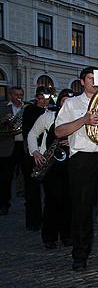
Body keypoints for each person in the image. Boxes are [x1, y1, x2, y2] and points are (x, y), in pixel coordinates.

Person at [55, 67, 98, 271]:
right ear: (82, 81)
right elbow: (59, 132)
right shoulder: (71, 103)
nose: (94, 82)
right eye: (90, 78)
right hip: (82, 158)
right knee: (82, 208)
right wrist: (84, 120)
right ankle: (80, 254)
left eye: (97, 79)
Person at [27, 88, 73, 249]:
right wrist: (35, 152)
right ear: (59, 102)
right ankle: (49, 237)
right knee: (52, 200)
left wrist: (72, 142)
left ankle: (67, 235)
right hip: (51, 163)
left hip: (70, 163)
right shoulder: (47, 116)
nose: (67, 104)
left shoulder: (78, 119)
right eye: (64, 101)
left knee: (68, 200)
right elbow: (32, 134)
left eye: (70, 101)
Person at [22, 87, 52, 231]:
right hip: (33, 154)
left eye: (48, 98)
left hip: (46, 153)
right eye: (43, 98)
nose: (46, 101)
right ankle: (34, 221)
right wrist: (35, 151)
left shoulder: (50, 111)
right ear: (38, 98)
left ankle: (45, 219)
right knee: (32, 190)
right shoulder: (30, 110)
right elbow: (30, 133)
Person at [0, 86, 26, 215]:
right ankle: (4, 204)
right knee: (6, 177)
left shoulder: (25, 108)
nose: (19, 97)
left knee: (27, 175)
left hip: (24, 145)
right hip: (8, 145)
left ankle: (28, 202)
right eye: (16, 94)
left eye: (21, 94)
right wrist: (4, 120)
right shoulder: (3, 107)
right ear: (10, 95)